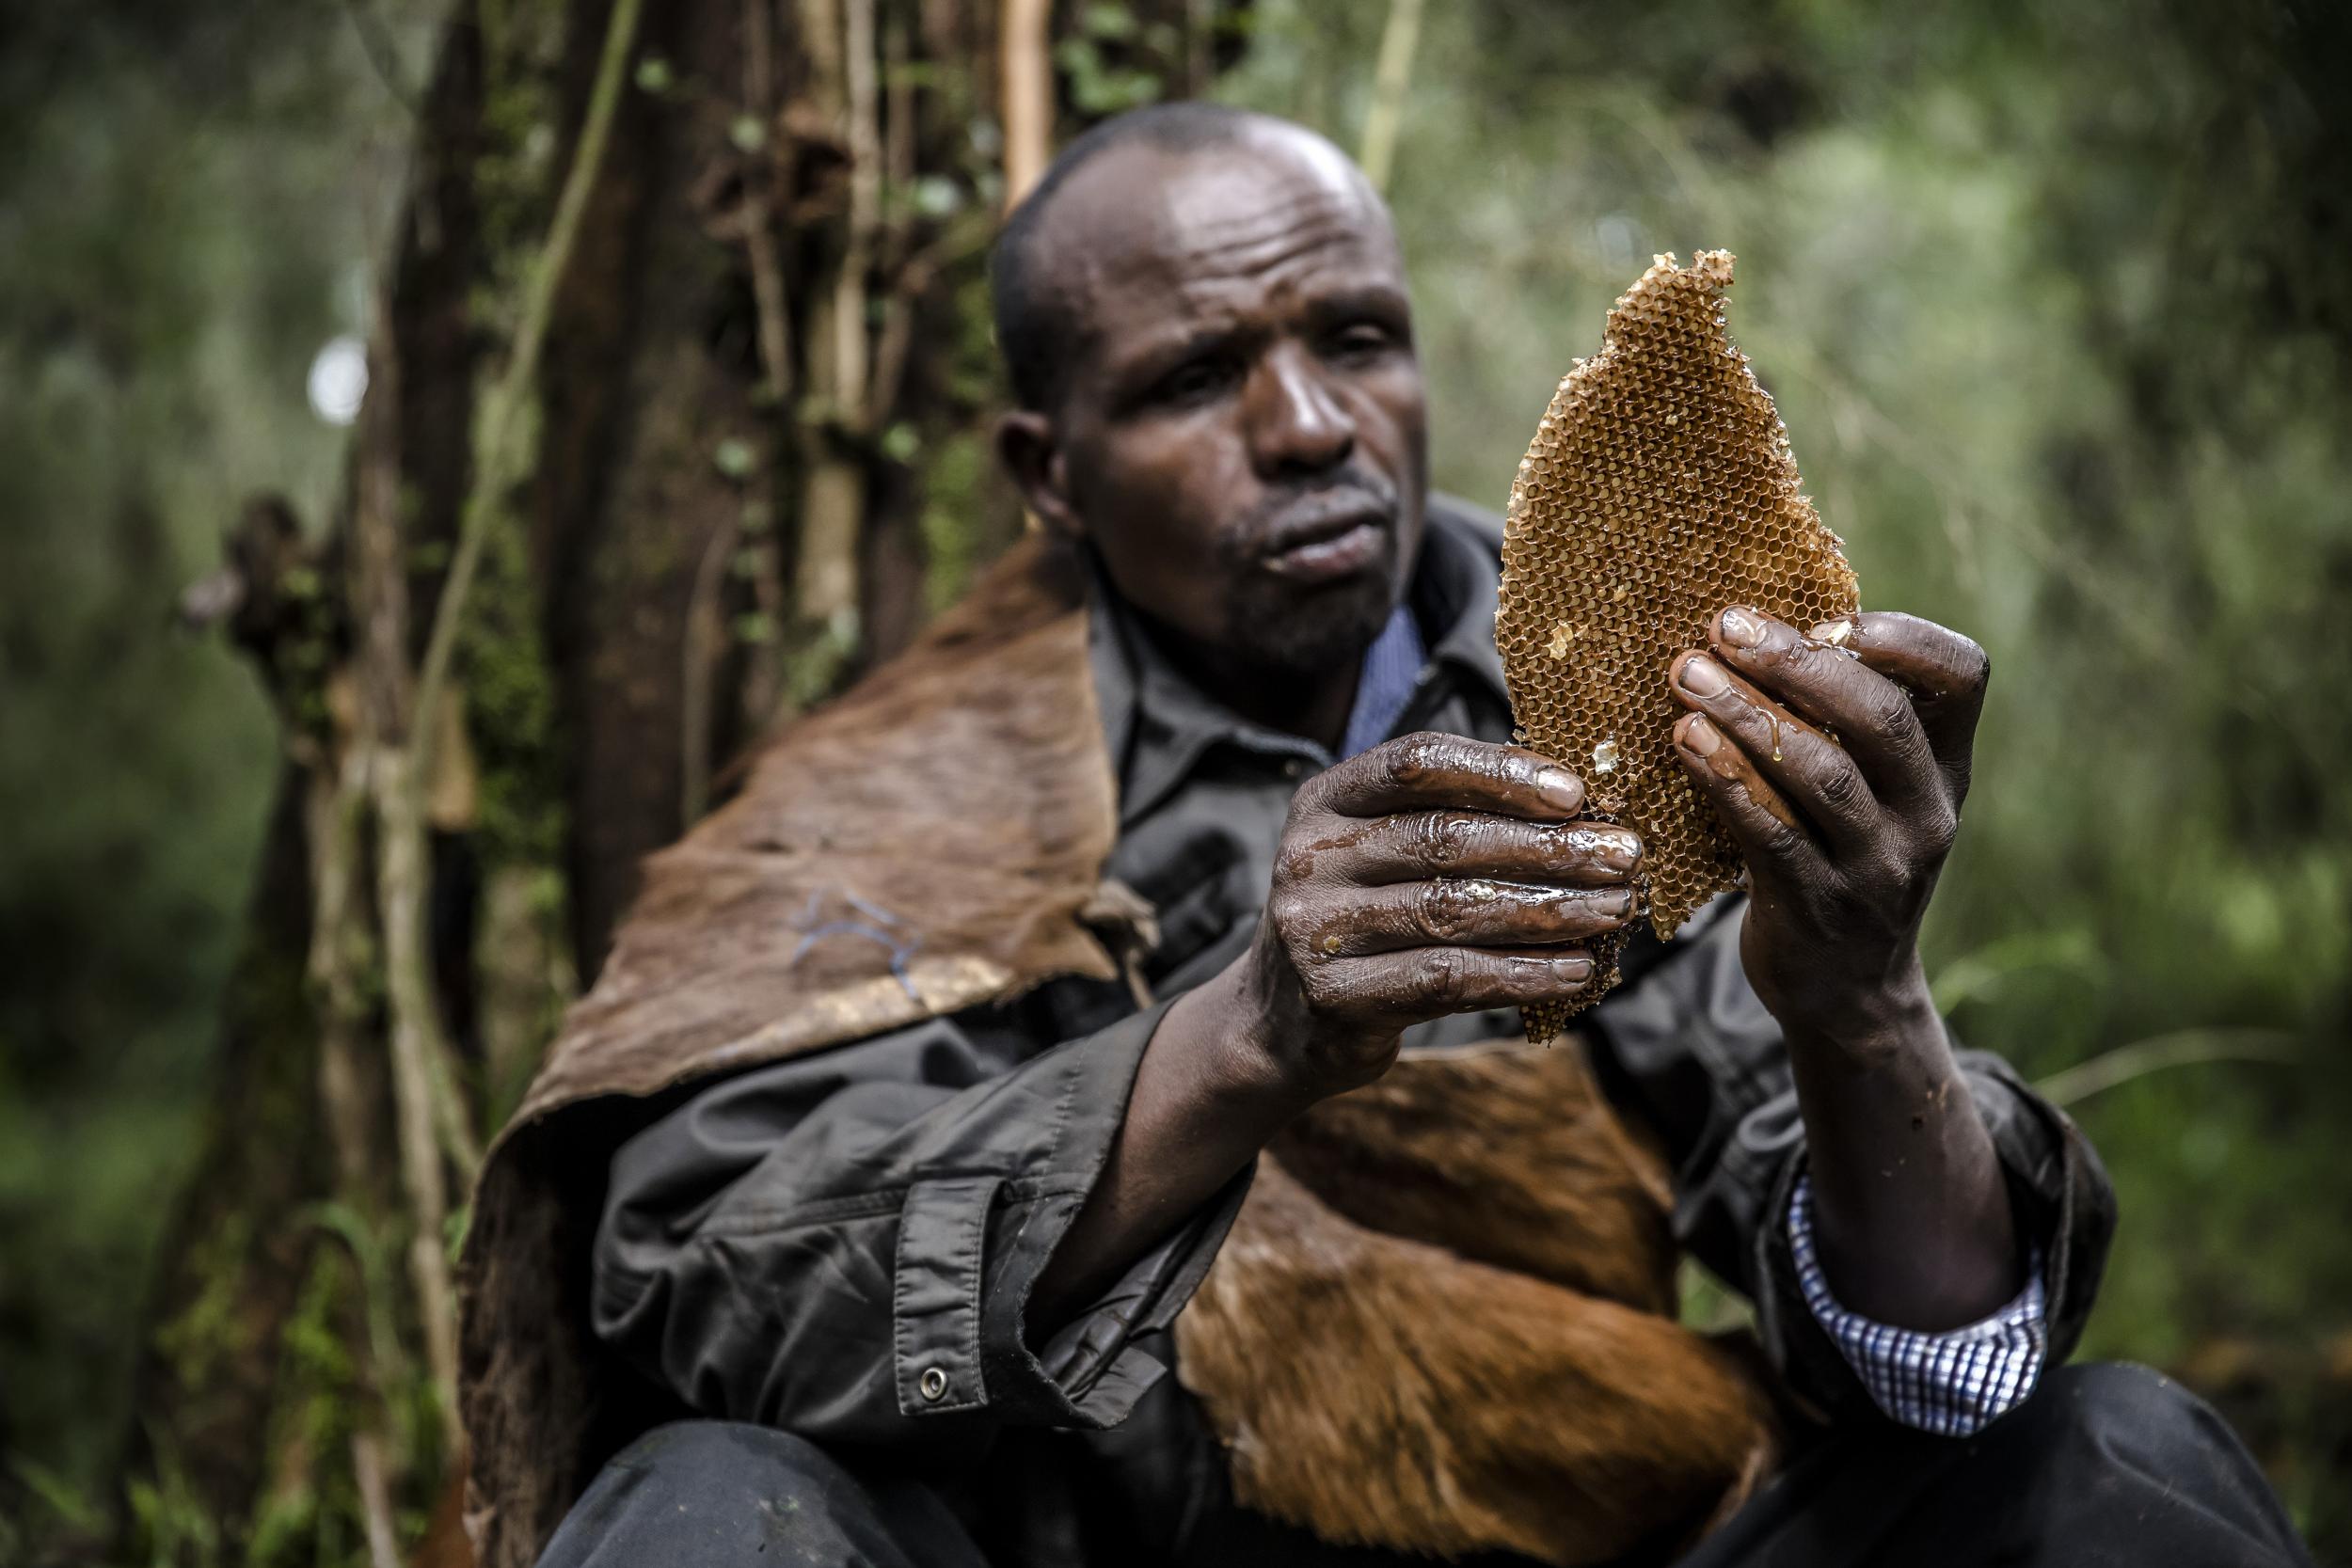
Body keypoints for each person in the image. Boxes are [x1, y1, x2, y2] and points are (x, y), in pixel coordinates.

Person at [458, 104, 2312, 1568]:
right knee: (711, 1504)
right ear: (1046, 473)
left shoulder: (1638, 703)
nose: (1307, 424)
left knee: (2110, 1466)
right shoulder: (893, 801)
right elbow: (710, 1289)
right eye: (1193, 381)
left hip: (1618, 1536)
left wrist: (1860, 1008)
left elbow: (1925, 1362)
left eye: (1355, 338)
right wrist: (1239, 1045)